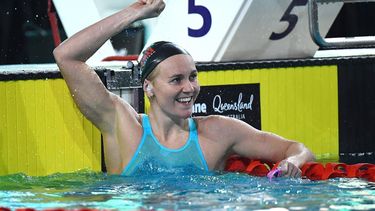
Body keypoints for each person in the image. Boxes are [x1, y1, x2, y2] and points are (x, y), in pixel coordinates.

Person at [53, 0, 315, 177]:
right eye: (176, 80)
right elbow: (66, 56)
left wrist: (292, 163)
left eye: (193, 76)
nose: (189, 88)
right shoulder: (121, 123)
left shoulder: (218, 131)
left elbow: (298, 149)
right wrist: (135, 12)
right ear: (149, 87)